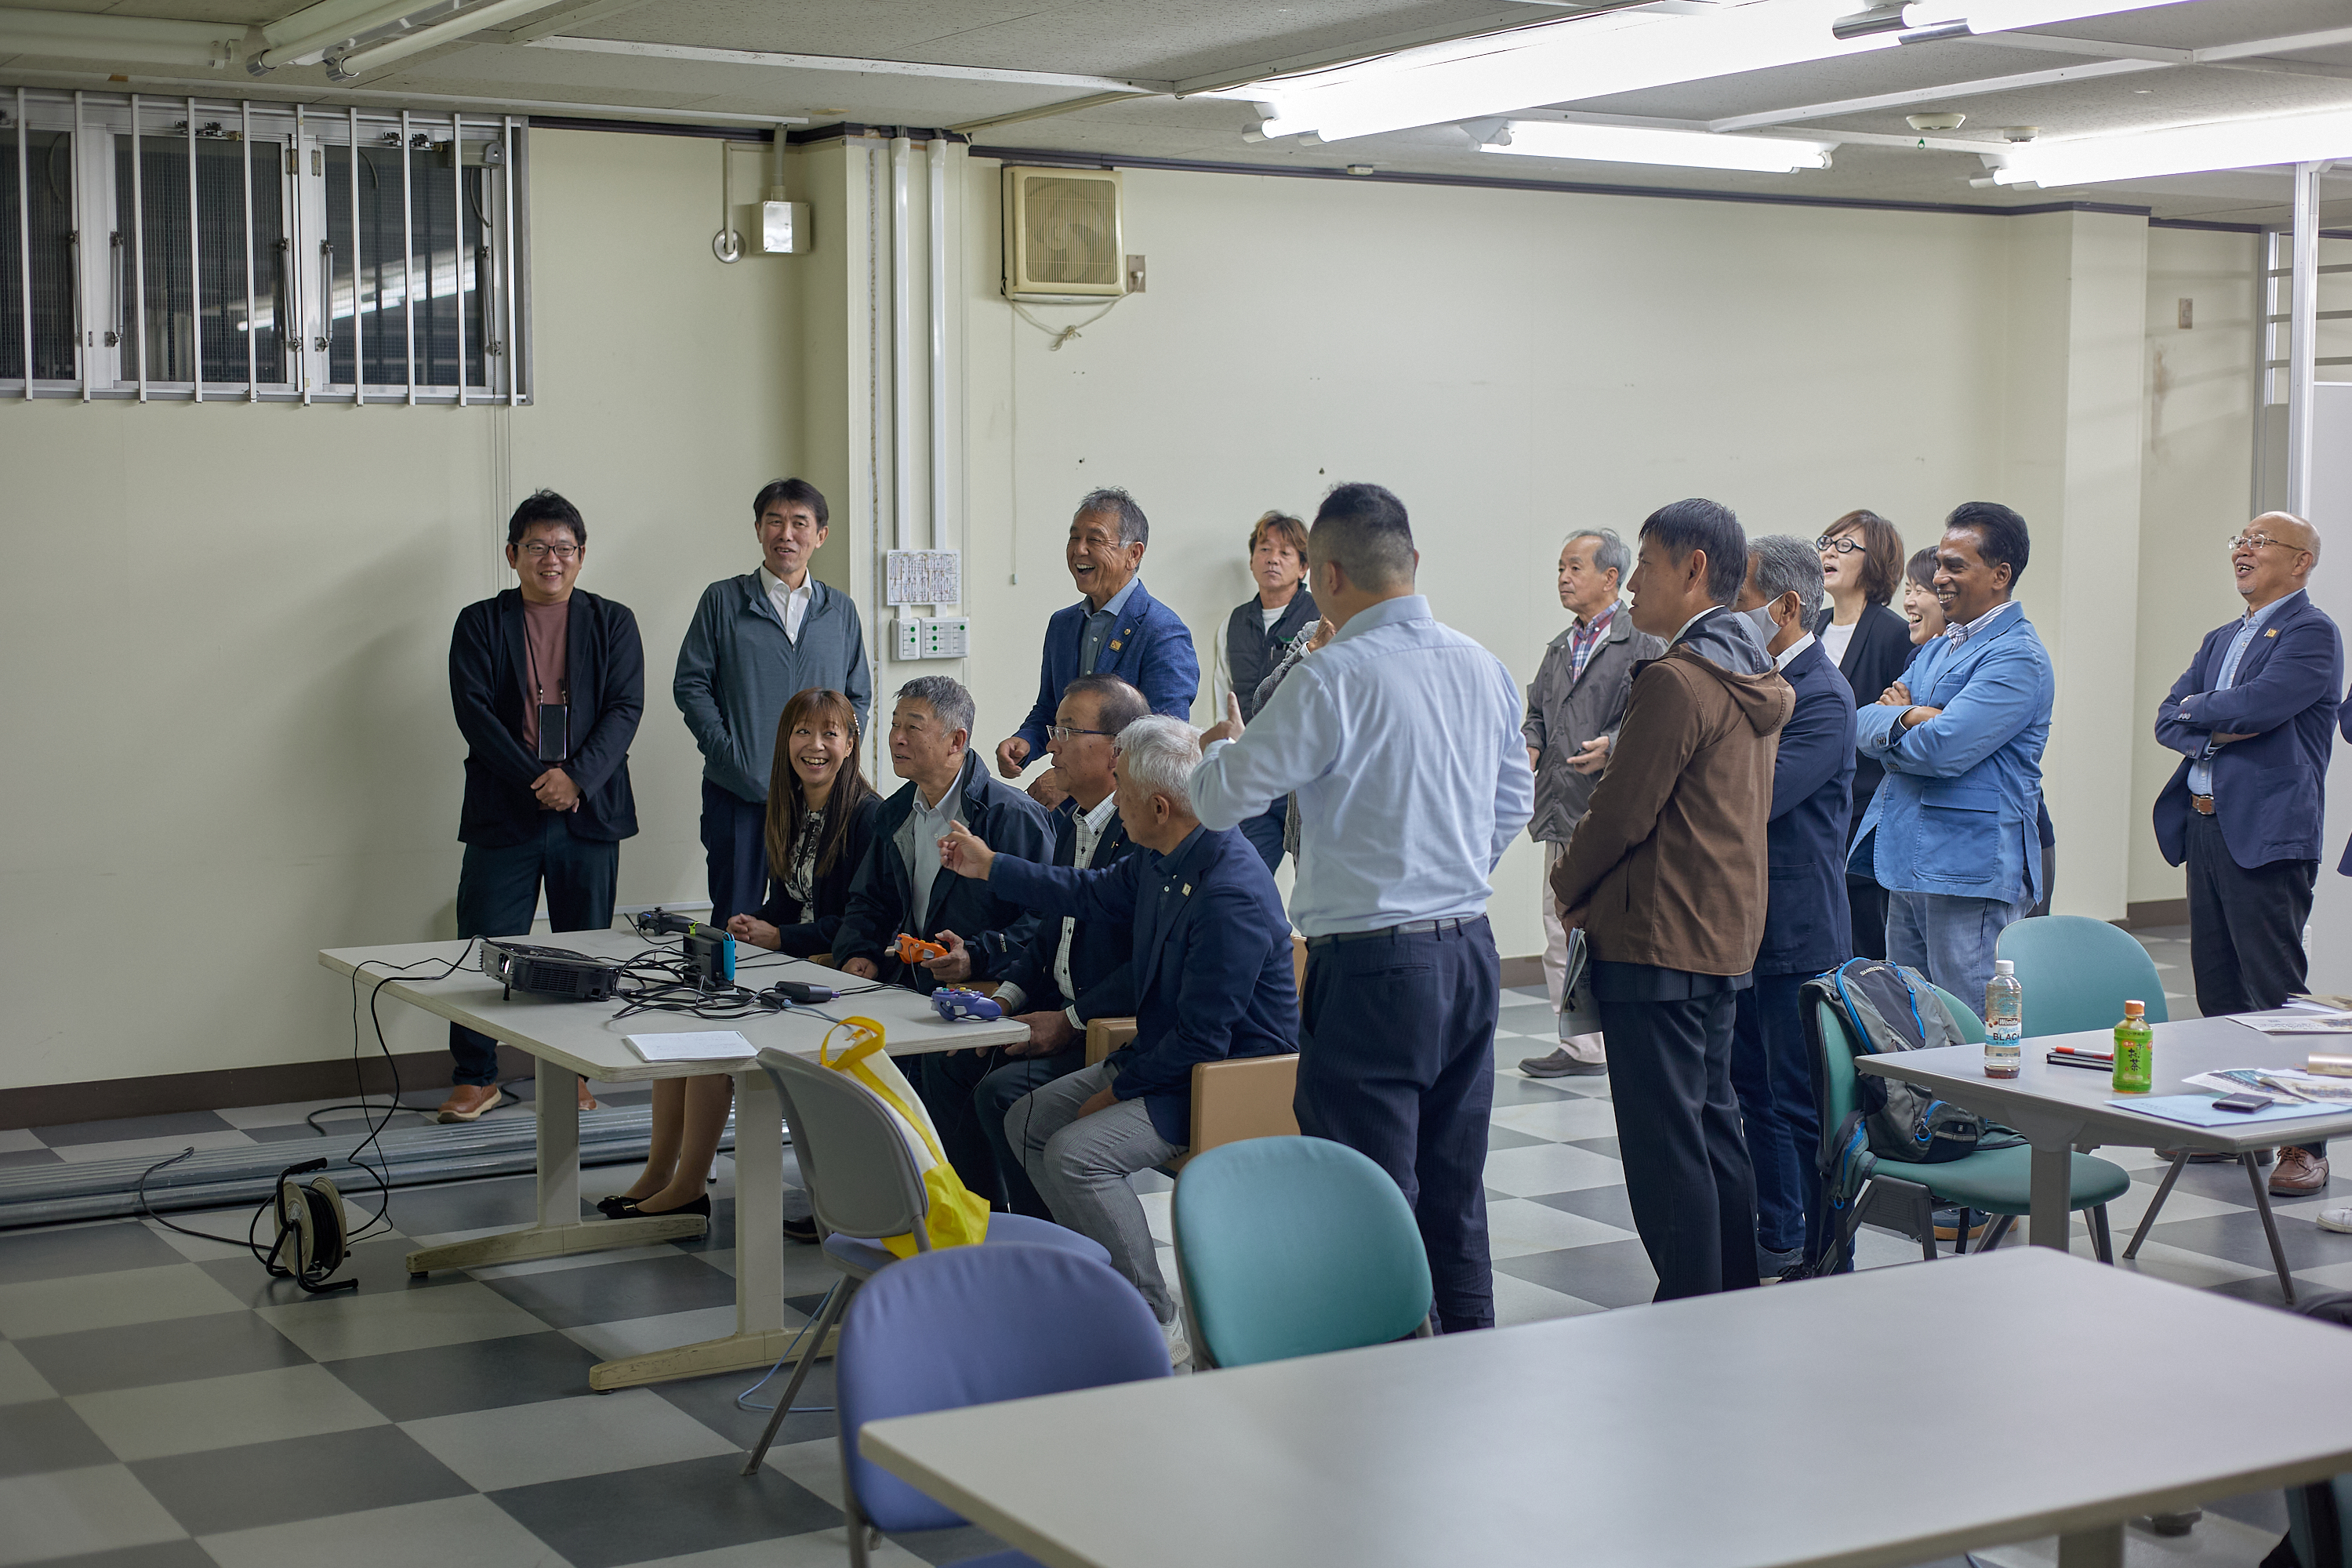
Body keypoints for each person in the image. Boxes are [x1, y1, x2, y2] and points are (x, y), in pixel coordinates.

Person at [1189, 481, 1534, 1334]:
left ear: (1327, 577)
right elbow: (1513, 802)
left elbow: (1222, 802)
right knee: (1453, 1187)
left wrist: (1221, 747)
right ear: (1413, 561)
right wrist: (1446, 873)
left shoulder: (1330, 677)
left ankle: (1386, 1378)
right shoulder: (1482, 664)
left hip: (1374, 966)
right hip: (1470, 950)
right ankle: (1471, 1354)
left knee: (1367, 1193)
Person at [944, 717, 1297, 1365]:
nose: (1116, 800)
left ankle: (1154, 1320)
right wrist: (991, 867)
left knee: (1075, 1154)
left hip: (1222, 1079)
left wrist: (1114, 1093)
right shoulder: (1166, 855)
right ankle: (1090, 1288)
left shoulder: (1230, 889)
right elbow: (1085, 891)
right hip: (1169, 1056)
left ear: (1159, 807)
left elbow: (1205, 1039)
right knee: (1027, 1118)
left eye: (1124, 791)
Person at [1551, 499, 1790, 1301]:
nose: (1631, 587)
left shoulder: (1678, 680)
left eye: (1645, 567)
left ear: (1694, 569)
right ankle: (1727, 1296)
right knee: (1713, 1126)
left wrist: (1566, 884)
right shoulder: (1752, 671)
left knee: (1666, 1145)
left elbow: (1622, 812)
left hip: (1657, 937)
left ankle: (1690, 1308)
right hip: (1720, 932)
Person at [604, 689, 878, 1221]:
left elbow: (860, 922)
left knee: (712, 1051)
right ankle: (659, 1175)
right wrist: (756, 922)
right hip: (794, 964)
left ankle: (688, 1186)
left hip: (837, 976)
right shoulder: (791, 807)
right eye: (802, 732)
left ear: (851, 744)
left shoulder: (867, 816)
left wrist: (781, 937)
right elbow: (790, 902)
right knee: (681, 1030)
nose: (815, 745)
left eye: (830, 733)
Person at [2154, 513, 2341, 1198]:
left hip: (2268, 831)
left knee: (2276, 995)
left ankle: (2305, 1142)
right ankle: (2237, 1123)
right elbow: (2168, 715)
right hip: (2206, 823)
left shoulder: (2312, 632)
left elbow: (2262, 706)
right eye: (2240, 539)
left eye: (2261, 542)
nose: (2244, 550)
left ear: (2302, 562)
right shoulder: (2220, 637)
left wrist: (2203, 711)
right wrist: (2211, 721)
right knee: (2218, 991)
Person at [442, 491, 642, 1122]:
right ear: (512, 554)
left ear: (581, 555)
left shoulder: (613, 622)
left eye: (563, 547)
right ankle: (475, 1076)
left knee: (582, 951)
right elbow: (474, 714)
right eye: (536, 547)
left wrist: (575, 779)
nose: (550, 559)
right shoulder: (479, 622)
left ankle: (570, 1073)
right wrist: (540, 779)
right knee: (483, 944)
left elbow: (625, 709)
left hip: (589, 813)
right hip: (505, 811)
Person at [831, 677, 1052, 1203]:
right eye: (894, 725)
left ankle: (973, 1215)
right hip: (911, 987)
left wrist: (977, 954)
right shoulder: (895, 812)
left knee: (944, 1062)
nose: (896, 738)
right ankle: (882, 1204)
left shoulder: (1009, 816)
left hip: (991, 992)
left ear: (957, 741)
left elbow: (1046, 921)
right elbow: (867, 903)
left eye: (914, 727)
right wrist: (858, 953)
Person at [1852, 503, 2053, 1013]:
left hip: (1968, 870)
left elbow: (1941, 752)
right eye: (1940, 563)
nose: (1939, 577)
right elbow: (1860, 722)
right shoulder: (1939, 647)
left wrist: (1898, 724)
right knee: (1915, 1022)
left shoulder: (2016, 656)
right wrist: (1915, 716)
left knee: (1971, 1026)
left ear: (2000, 575)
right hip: (1908, 860)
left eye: (1955, 566)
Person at [970, 675, 1151, 1217]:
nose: (1051, 745)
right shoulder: (1073, 823)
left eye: (1068, 731)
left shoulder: (1141, 834)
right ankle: (978, 1222)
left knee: (1004, 1094)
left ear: (1117, 750)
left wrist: (1069, 1021)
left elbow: (1144, 967)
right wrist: (1004, 1000)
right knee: (954, 1059)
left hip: (1107, 1027)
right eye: (1054, 729)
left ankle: (1047, 1239)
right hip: (1065, 1012)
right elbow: (1050, 932)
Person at [1729, 537, 1855, 1276]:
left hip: (1797, 927)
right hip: (1745, 922)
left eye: (1741, 600)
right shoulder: (1757, 679)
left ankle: (1828, 1255)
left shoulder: (1823, 696)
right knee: (1754, 1089)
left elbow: (1760, 797)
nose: (1730, 613)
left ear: (1785, 607)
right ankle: (1777, 1231)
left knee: (1803, 1101)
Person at [674, 478, 873, 924]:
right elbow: (691, 684)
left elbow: (857, 695)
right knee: (737, 922)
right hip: (739, 794)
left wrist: (836, 758)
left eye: (800, 523)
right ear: (759, 529)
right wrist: (730, 756)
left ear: (820, 535)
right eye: (775, 521)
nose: (787, 534)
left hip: (819, 798)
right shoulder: (723, 600)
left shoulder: (840, 610)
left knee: (816, 917)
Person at [1519, 528, 1664, 1079]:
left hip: (1616, 815)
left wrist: (1615, 745)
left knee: (1618, 931)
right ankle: (1580, 1046)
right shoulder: (1560, 647)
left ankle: (1622, 1040)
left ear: (1611, 577)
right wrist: (1531, 743)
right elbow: (1537, 712)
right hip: (1562, 811)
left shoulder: (1644, 642)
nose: (1563, 578)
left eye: (1574, 568)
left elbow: (1659, 717)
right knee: (1559, 927)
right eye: (1560, 568)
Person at [993, 488, 1200, 808]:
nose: (1079, 550)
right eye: (1074, 538)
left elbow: (1163, 741)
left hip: (1128, 810)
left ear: (1133, 554)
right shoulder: (1062, 625)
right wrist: (1026, 741)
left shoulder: (1163, 631)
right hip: (1070, 811)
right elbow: (1050, 708)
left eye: (1095, 539)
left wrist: (1075, 780)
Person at [1814, 510, 1912, 960]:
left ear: (1876, 562)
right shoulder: (1810, 626)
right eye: (1826, 542)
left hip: (1861, 813)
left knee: (1861, 946)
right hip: (1810, 811)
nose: (1829, 553)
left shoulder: (1894, 635)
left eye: (1846, 545)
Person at [1211, 510, 1319, 870]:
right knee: (1241, 877)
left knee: (1312, 881)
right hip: (1253, 776)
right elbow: (1222, 696)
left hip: (1305, 779)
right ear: (1252, 560)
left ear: (1303, 567)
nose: (1273, 559)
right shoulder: (1233, 623)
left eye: (1285, 553)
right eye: (1264, 549)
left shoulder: (1321, 620)